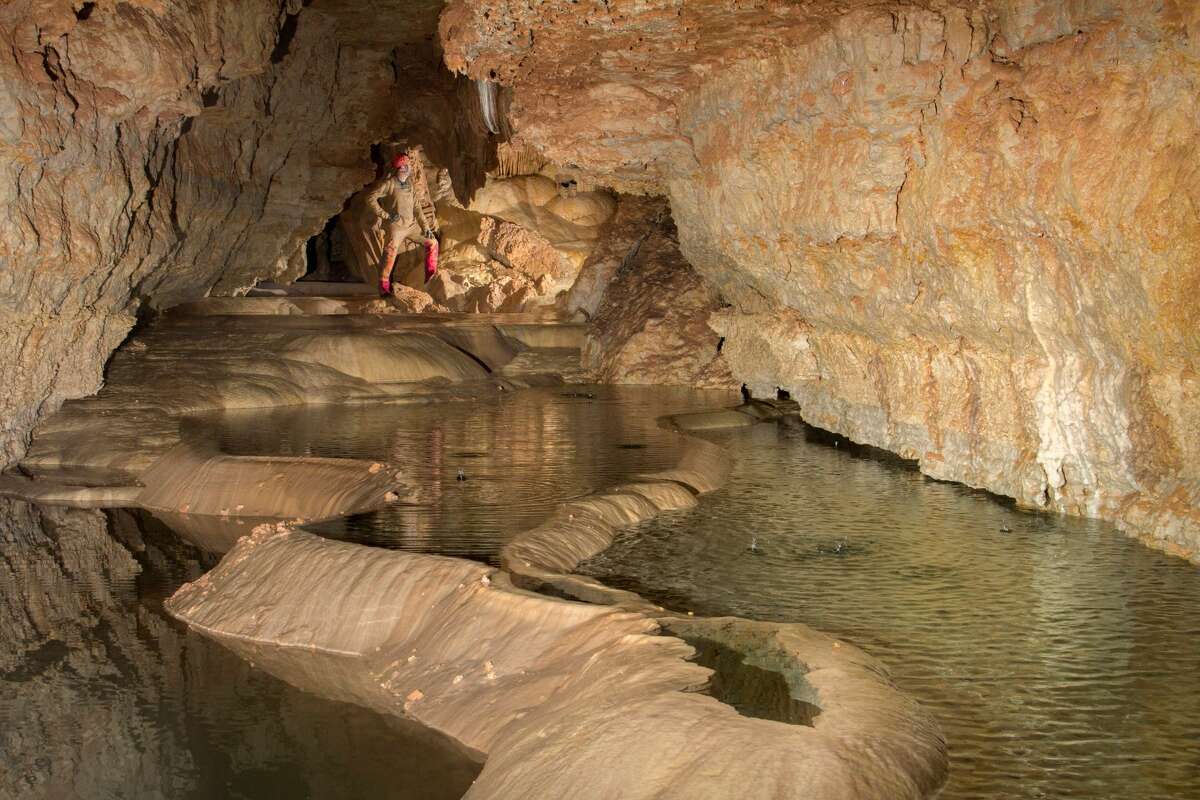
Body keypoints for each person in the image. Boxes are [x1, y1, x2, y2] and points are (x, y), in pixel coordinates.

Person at [365, 153, 439, 296]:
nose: (409, 168)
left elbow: (417, 207)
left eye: (408, 165)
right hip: (396, 226)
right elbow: (370, 198)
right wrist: (385, 215)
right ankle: (383, 287)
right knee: (390, 252)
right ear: (401, 168)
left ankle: (431, 277)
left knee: (432, 242)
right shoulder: (389, 184)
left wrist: (426, 228)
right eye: (406, 166)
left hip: (411, 225)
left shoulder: (409, 184)